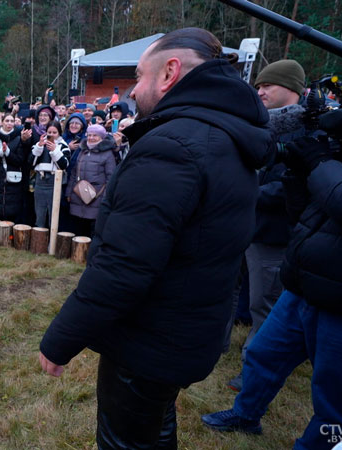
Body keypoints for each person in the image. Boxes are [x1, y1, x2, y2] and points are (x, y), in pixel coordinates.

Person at [38, 28, 273, 449]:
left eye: (139, 75)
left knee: (127, 440)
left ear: (170, 72)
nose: (133, 88)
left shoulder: (173, 146)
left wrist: (61, 339)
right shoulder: (223, 133)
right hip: (186, 327)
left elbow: (124, 265)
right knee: (154, 424)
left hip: (150, 339)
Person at [202, 132, 342, 449]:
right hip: (305, 286)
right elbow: (306, 213)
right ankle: (246, 414)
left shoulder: (335, 170)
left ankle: (321, 445)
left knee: (337, 396)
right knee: (264, 355)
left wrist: (320, 162)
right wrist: (297, 173)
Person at [224, 59, 306, 392]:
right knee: (225, 291)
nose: (260, 91)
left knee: (264, 304)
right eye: (258, 86)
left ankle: (252, 370)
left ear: (290, 88)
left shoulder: (309, 130)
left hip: (272, 234)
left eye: (266, 85)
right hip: (243, 225)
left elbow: (295, 185)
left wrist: (245, 192)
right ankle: (216, 345)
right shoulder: (262, 124)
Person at [65, 125, 116, 238]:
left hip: (97, 196)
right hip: (78, 194)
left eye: (95, 135)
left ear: (102, 137)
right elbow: (74, 173)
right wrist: (69, 193)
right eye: (89, 135)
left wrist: (105, 198)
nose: (91, 138)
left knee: (93, 228)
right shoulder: (82, 151)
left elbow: (111, 178)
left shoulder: (108, 154)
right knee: (78, 226)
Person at [28, 120, 70, 228]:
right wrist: (38, 148)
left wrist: (55, 150)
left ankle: (52, 241)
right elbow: (31, 163)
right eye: (49, 132)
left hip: (54, 182)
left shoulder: (63, 146)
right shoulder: (39, 144)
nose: (51, 135)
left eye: (54, 132)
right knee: (39, 212)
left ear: (59, 133)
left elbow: (64, 165)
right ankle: (39, 239)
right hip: (40, 181)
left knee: (53, 214)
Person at [0, 113, 24, 222]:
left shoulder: (18, 138)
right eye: (7, 121)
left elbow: (20, 160)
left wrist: (8, 153)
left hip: (13, 178)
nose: (9, 123)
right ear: (2, 122)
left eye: (12, 121)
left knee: (12, 208)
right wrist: (0, 153)